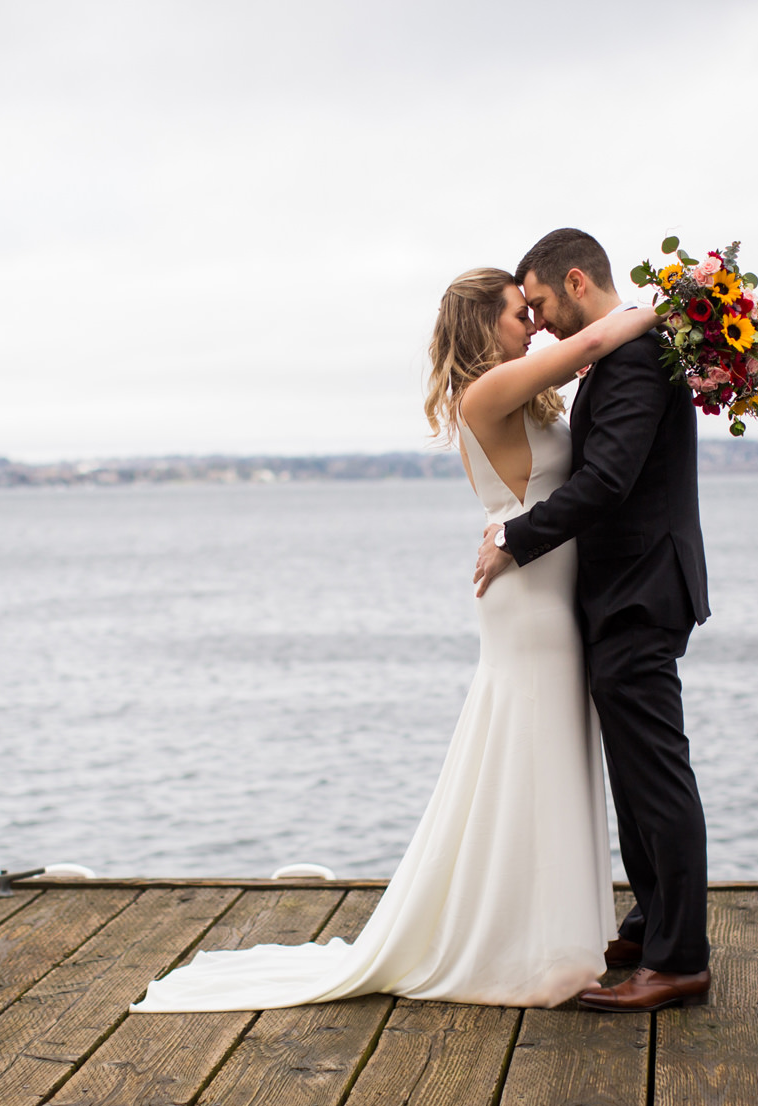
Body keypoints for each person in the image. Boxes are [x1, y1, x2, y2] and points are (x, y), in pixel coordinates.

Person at [129, 262, 664, 1012]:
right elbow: (595, 342)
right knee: (535, 748)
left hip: (548, 586)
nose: (534, 324)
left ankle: (549, 931)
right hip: (530, 601)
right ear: (483, 324)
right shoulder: (486, 392)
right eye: (520, 313)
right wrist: (676, 307)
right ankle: (534, 946)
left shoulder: (519, 390)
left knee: (548, 750)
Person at [474, 228, 712, 1012]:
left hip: (642, 591)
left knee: (656, 777)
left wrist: (514, 538)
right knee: (636, 777)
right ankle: (651, 925)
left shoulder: (634, 358)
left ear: (576, 280)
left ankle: (680, 960)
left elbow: (608, 480)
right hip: (623, 592)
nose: (538, 321)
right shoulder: (617, 357)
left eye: (540, 302)